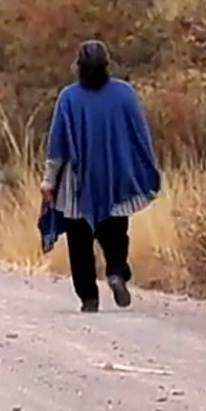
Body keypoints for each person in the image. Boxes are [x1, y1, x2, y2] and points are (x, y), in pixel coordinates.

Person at [40, 40, 161, 313]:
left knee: (79, 241)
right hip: (116, 177)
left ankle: (89, 298)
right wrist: (145, 168)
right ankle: (117, 271)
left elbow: (57, 146)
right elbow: (140, 136)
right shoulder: (125, 93)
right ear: (107, 65)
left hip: (77, 181)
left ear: (78, 67)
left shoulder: (68, 97)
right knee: (116, 232)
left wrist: (49, 180)